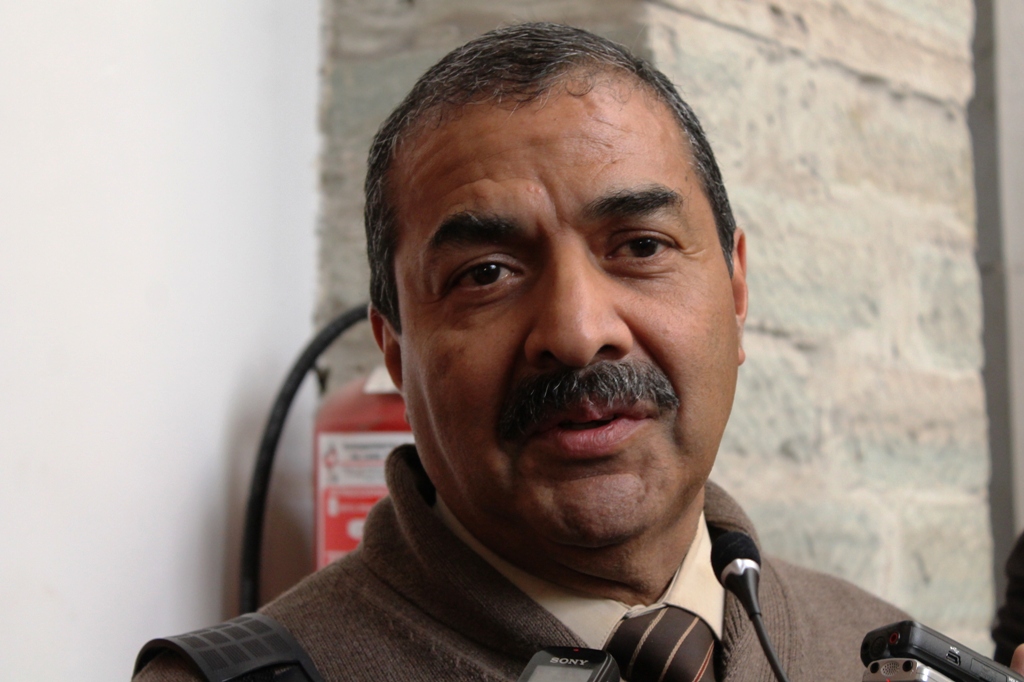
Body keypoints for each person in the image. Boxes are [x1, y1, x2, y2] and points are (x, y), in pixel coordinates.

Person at [135, 22, 1021, 681]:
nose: (577, 329)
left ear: (737, 290)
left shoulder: (878, 656)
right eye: (486, 273)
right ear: (396, 353)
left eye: (640, 246)